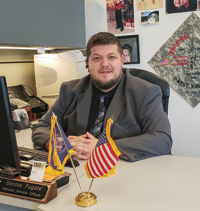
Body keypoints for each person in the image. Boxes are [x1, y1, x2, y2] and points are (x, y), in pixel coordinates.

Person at [32, 32, 172, 162]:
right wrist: (59, 145)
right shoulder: (70, 90)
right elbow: (42, 127)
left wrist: (103, 147)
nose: (105, 64)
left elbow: (162, 139)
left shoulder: (146, 92)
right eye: (97, 58)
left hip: (122, 171)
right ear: (87, 63)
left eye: (111, 57)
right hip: (78, 168)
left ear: (122, 61)